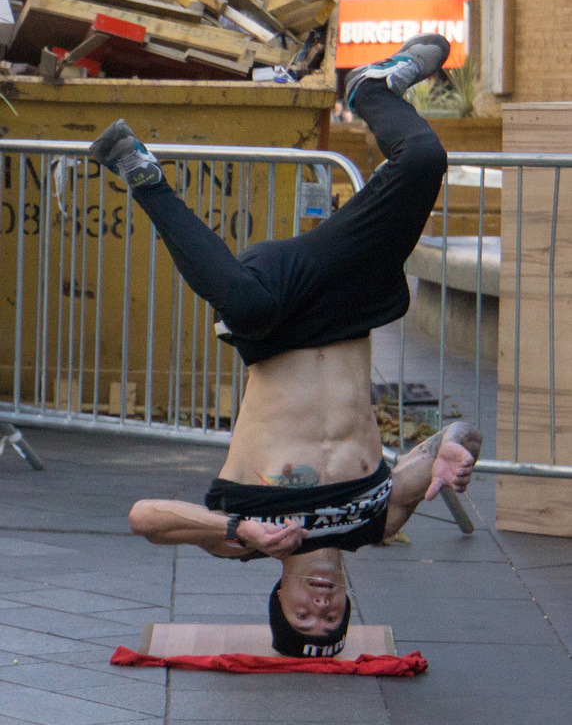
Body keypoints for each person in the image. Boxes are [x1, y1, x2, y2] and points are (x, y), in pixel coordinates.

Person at [89, 34, 481, 659]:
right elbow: (457, 434)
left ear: (281, 595)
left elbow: (144, 517)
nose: (320, 605)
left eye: (303, 614)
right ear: (349, 600)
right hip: (352, 303)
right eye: (331, 617)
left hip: (272, 315)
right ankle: (372, 89)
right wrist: (457, 449)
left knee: (247, 306)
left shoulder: (243, 540)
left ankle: (142, 174)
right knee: (425, 159)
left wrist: (236, 525)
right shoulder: (379, 522)